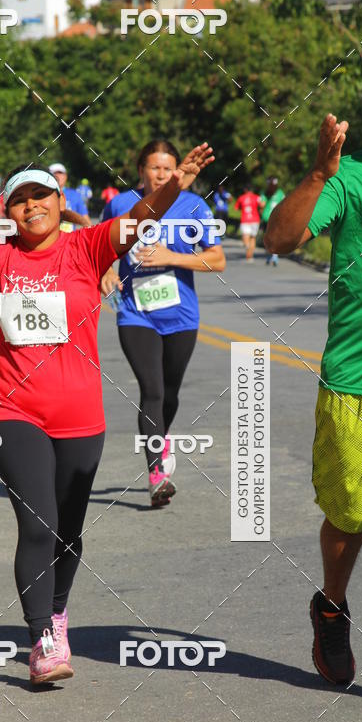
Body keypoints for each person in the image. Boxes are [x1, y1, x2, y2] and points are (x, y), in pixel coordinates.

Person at [0, 145, 213, 684]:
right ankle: (41, 637)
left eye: (40, 195)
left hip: (80, 419)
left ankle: (59, 611)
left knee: (69, 533)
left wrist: (174, 186)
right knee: (39, 522)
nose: (31, 206)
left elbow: (144, 218)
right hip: (10, 412)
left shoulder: (89, 247)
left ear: (59, 200)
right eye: (19, 199)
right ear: (8, 210)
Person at [264, 113, 362, 687]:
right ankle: (331, 605)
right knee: (349, 513)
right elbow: (278, 239)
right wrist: (319, 174)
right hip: (356, 379)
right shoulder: (346, 178)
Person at [101, 139, 225, 507]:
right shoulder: (121, 205)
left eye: (168, 168)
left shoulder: (193, 206)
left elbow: (217, 260)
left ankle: (163, 435)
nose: (161, 174)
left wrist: (172, 256)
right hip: (135, 314)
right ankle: (157, 475)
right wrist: (106, 269)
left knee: (169, 393)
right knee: (152, 391)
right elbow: (99, 247)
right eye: (154, 168)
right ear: (140, 170)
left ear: (177, 171)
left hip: (182, 317)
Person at [48, 162, 91, 230]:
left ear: (66, 176)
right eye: (54, 173)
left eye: (60, 173)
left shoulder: (75, 195)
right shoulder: (42, 195)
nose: (57, 175)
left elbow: (86, 222)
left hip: (69, 238)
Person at [234, 185, 264, 263]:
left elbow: (236, 208)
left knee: (245, 236)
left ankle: (247, 248)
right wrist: (261, 211)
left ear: (245, 190)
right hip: (255, 219)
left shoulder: (241, 198)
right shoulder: (257, 197)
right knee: (253, 237)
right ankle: (250, 255)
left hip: (245, 219)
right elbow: (262, 205)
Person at [261, 176, 285, 266]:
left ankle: (272, 256)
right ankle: (272, 255)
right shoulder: (277, 193)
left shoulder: (267, 193)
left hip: (271, 218)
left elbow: (262, 205)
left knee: (271, 238)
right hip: (272, 218)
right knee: (273, 238)